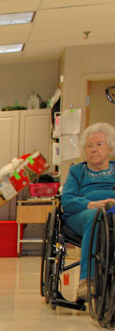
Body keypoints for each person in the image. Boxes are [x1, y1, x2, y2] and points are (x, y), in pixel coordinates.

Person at [61, 122, 115, 299]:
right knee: (97, 217)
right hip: (82, 214)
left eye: (99, 144)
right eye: (89, 146)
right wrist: (90, 204)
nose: (94, 149)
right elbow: (67, 200)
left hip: (113, 210)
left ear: (110, 148)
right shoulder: (77, 171)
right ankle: (87, 280)